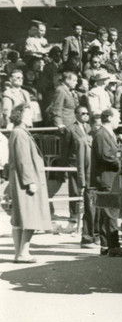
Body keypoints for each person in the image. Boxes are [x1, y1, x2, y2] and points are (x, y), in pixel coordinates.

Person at [6, 102, 53, 263]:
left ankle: (20, 253)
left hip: (22, 181)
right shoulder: (20, 133)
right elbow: (23, 160)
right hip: (26, 182)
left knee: (21, 219)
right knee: (30, 217)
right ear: (20, 115)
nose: (31, 116)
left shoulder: (19, 132)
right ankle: (23, 252)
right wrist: (30, 181)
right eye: (28, 113)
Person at [91, 107, 122, 257]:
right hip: (107, 179)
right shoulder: (101, 134)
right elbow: (105, 156)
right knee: (111, 213)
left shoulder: (106, 133)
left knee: (108, 213)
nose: (120, 120)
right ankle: (113, 246)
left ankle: (106, 245)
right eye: (117, 116)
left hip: (109, 178)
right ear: (110, 117)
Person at [63, 106, 96, 247]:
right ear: (76, 114)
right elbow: (65, 149)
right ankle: (73, 218)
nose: (85, 116)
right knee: (75, 192)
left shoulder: (91, 128)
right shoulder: (70, 129)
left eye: (87, 113)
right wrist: (64, 168)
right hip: (74, 164)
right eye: (83, 114)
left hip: (88, 166)